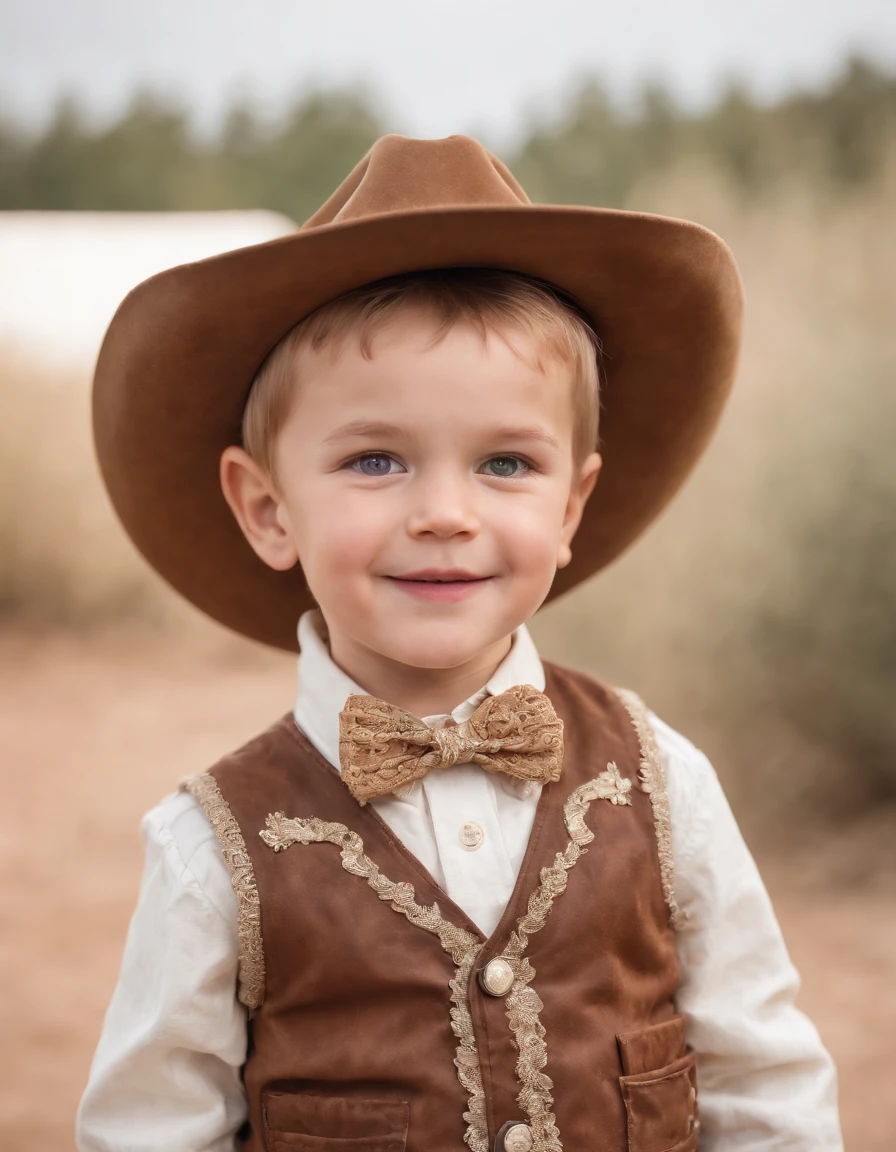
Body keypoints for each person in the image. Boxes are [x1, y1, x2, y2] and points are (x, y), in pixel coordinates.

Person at [77, 133, 843, 1152]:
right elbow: (150, 1132)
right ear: (266, 508)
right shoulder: (209, 850)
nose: (444, 512)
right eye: (376, 459)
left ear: (571, 504)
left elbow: (765, 1088)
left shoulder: (660, 784)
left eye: (504, 462)